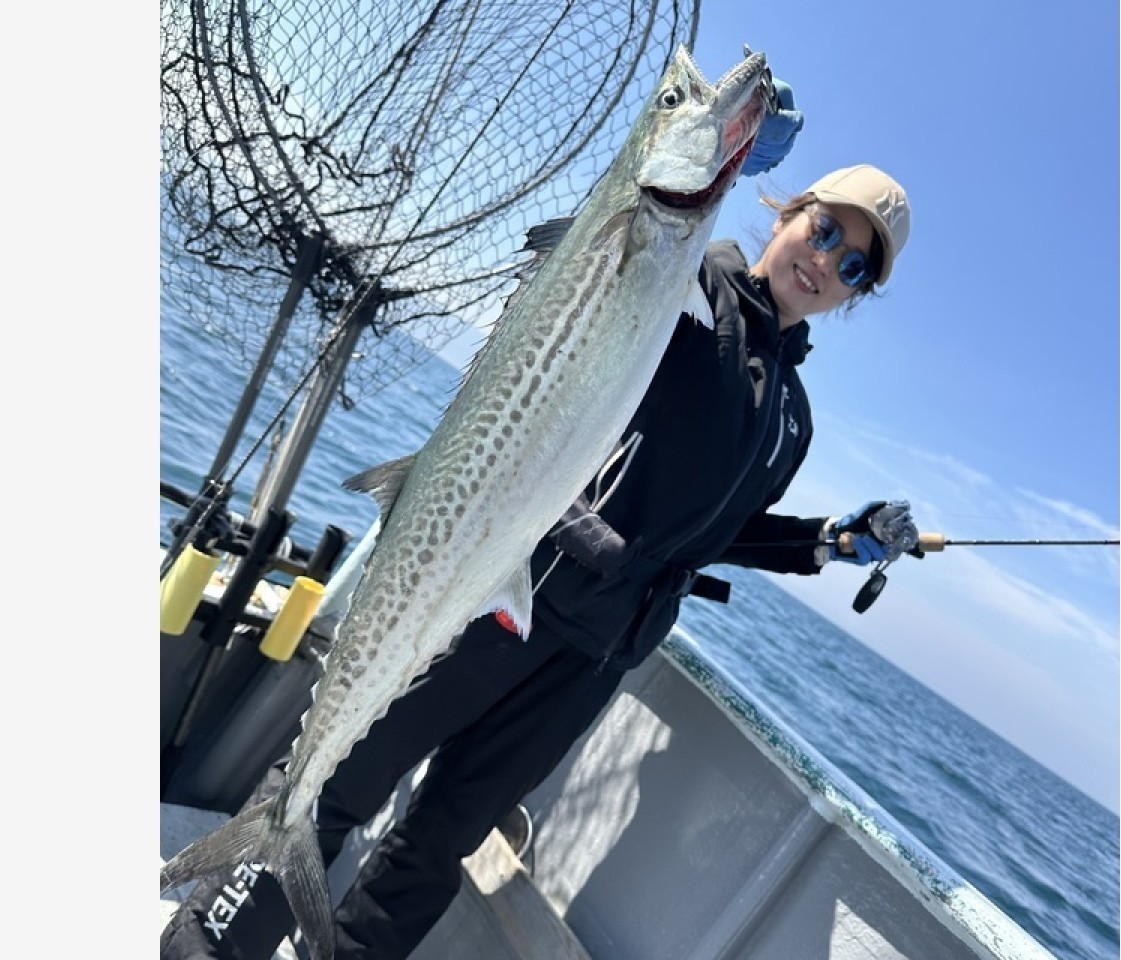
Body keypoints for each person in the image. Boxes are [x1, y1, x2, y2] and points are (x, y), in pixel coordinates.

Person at [161, 76, 921, 960]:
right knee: (346, 776)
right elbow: (611, 261)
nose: (826, 260)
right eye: (823, 228)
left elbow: (719, 530)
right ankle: (210, 943)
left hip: (595, 655)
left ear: (856, 294)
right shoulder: (694, 282)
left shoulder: (793, 416)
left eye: (853, 263)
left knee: (437, 842)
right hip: (508, 580)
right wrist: (716, 157)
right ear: (785, 213)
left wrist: (828, 541)